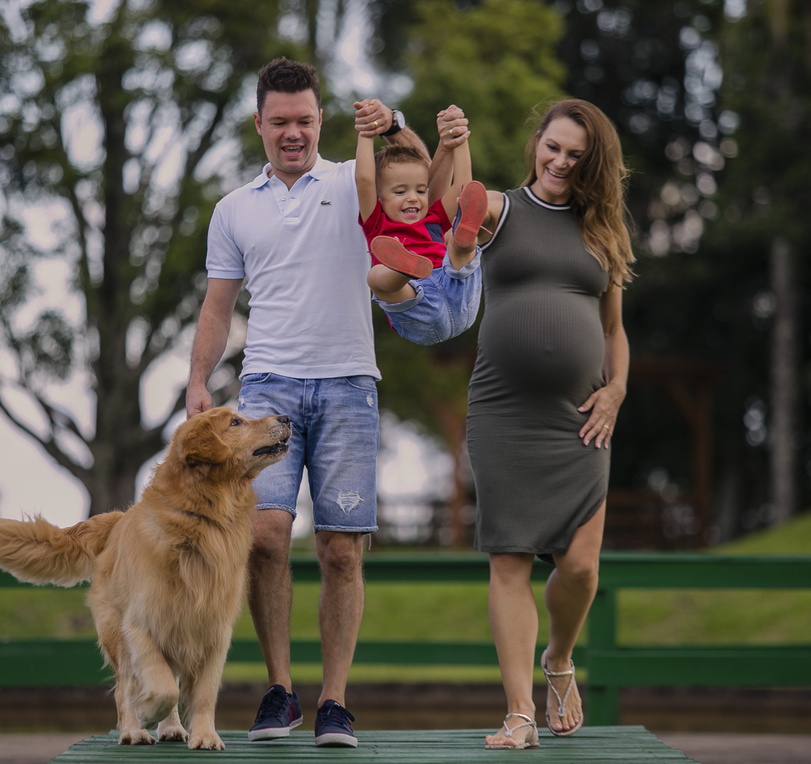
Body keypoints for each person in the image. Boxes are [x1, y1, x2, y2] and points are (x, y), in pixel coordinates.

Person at [184, 58, 459, 749]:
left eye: (305, 120)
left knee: (342, 551)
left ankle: (335, 702)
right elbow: (217, 309)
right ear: (259, 124)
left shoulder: (351, 180)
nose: (293, 133)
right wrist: (197, 381)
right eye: (280, 121)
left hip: (348, 387)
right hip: (266, 388)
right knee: (266, 536)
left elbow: (421, 181)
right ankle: (280, 692)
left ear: (319, 120)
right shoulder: (234, 209)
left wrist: (394, 121)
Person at [463, 99, 635, 750]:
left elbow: (615, 331)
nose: (560, 161)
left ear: (594, 164)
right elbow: (454, 203)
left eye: (575, 154)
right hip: (503, 411)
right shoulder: (500, 212)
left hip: (579, 420)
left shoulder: (604, 230)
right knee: (508, 561)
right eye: (552, 146)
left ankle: (559, 659)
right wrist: (451, 139)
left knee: (582, 567)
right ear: (536, 142)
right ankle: (517, 714)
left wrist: (618, 388)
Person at [355, 105, 489, 345]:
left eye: (420, 190)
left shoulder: (433, 218)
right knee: (376, 278)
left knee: (458, 233)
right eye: (400, 191)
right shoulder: (377, 222)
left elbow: (463, 188)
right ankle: (404, 270)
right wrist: (365, 132)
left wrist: (459, 138)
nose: (413, 198)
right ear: (378, 197)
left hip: (455, 288)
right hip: (420, 310)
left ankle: (462, 242)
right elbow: (364, 179)